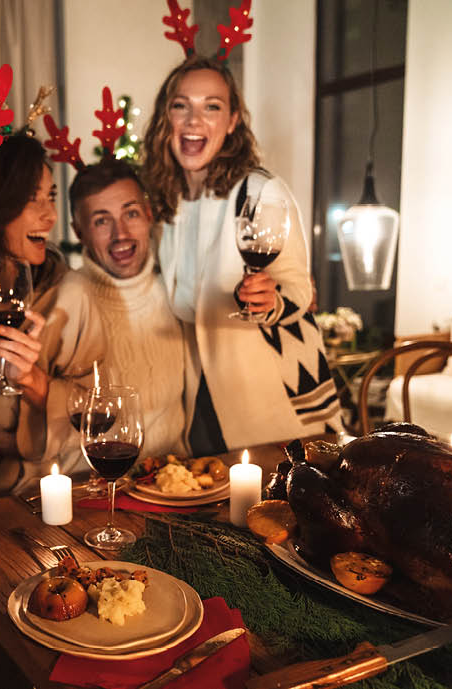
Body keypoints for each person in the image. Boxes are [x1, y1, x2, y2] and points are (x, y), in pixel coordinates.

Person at [142, 55, 342, 452]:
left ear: (232, 121)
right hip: (197, 395)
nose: (194, 120)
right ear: (166, 117)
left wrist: (271, 301)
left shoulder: (260, 191)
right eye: (181, 105)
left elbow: (299, 288)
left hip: (270, 391)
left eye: (211, 107)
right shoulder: (165, 199)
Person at [0, 134, 106, 501]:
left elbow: (97, 412)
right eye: (33, 199)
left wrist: (34, 382)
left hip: (60, 487)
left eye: (51, 196)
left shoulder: (72, 295)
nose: (51, 216)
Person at [57, 159, 195, 465]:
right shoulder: (69, 299)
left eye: (131, 214)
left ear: (148, 215)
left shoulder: (176, 287)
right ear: (79, 232)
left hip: (174, 477)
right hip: (95, 481)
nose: (120, 234)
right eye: (101, 221)